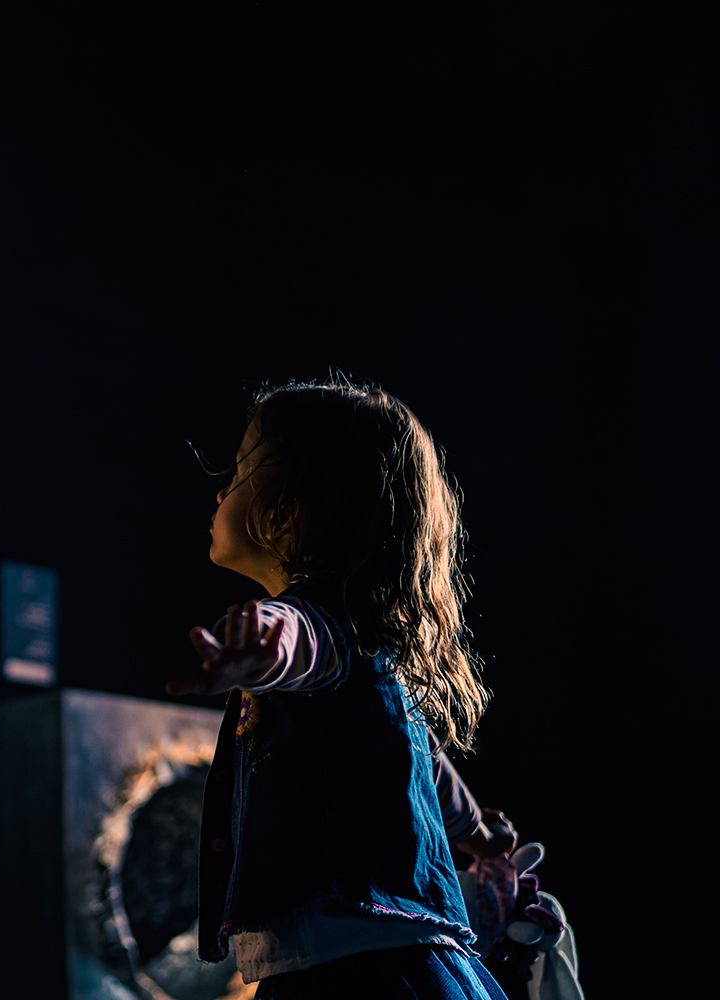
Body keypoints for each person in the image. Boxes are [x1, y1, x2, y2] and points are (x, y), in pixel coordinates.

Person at [168, 380, 511, 998]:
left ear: (289, 511)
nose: (220, 486)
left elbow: (295, 635)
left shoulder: (321, 627)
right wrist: (477, 832)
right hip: (389, 966)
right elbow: (425, 766)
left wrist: (257, 645)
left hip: (363, 976)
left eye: (242, 469)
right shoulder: (372, 659)